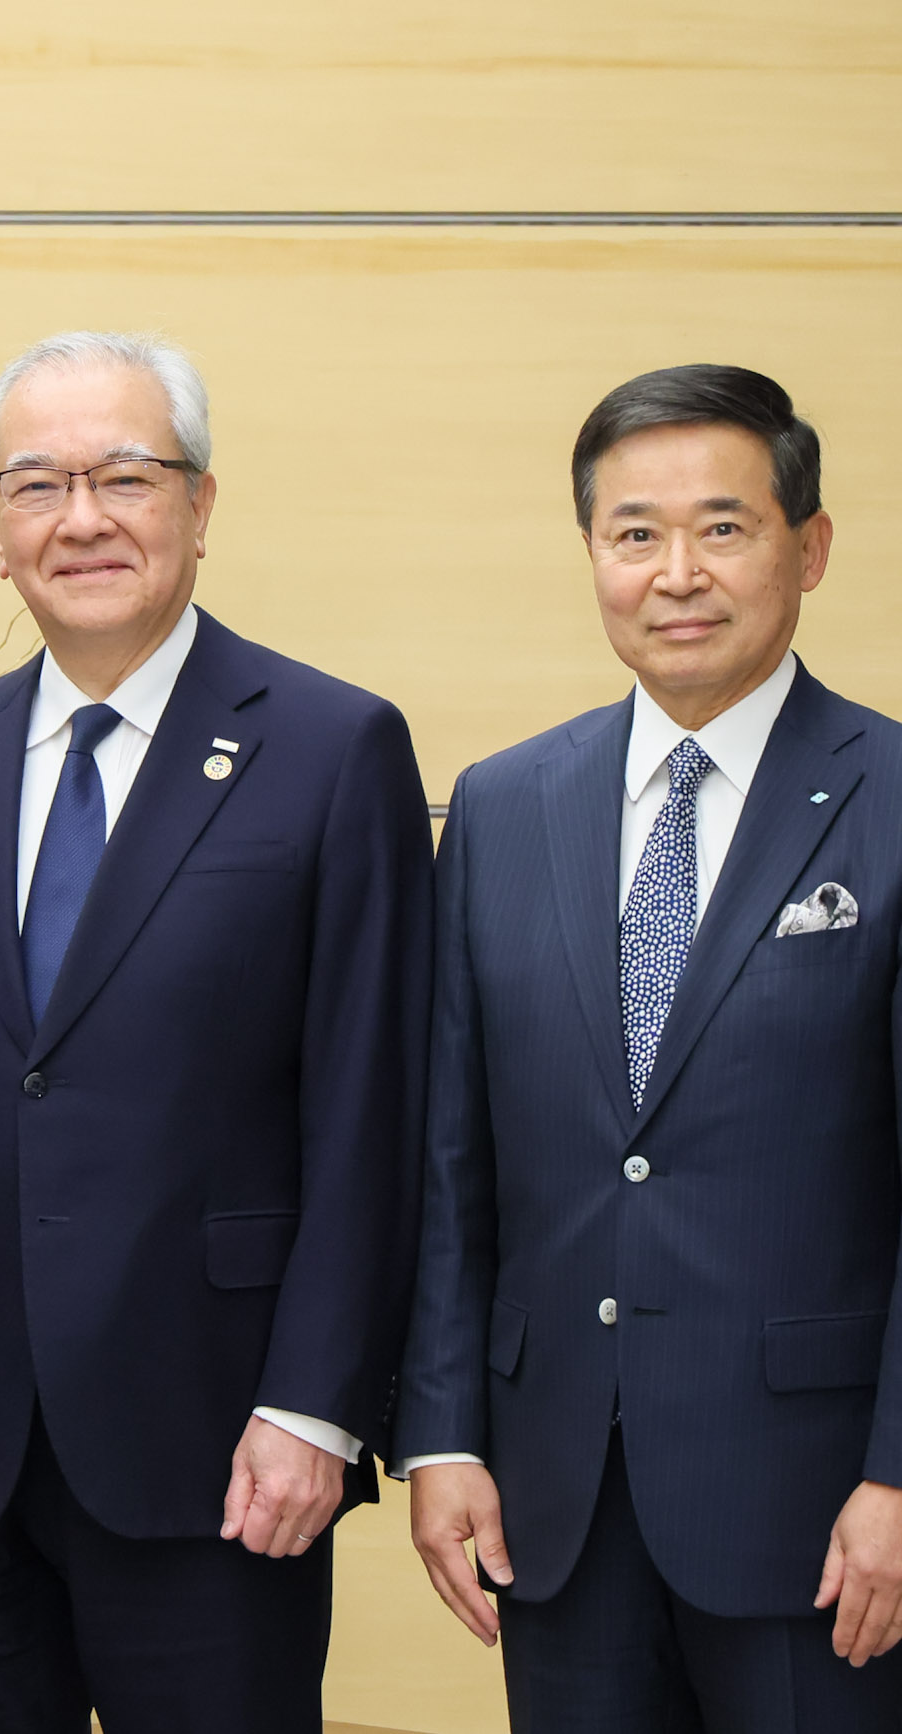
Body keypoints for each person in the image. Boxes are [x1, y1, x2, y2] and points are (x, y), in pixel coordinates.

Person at [0, 331, 434, 1729]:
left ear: (201, 505)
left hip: (220, 1447)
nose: (80, 518)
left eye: (126, 477)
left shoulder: (334, 750)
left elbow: (372, 1114)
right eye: (37, 484)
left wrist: (317, 1406)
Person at [398, 364, 902, 1727]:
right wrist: (440, 1430)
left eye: (723, 527)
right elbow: (453, 1158)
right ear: (594, 556)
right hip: (556, 1498)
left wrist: (901, 1478)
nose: (676, 571)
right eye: (635, 534)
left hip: (820, 1510)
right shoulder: (502, 805)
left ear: (810, 548)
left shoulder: (892, 796)